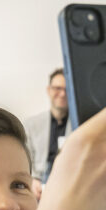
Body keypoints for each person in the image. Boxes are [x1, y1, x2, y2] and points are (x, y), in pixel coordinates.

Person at [24, 68, 71, 197]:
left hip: (69, 186)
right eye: (57, 88)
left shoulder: (81, 125)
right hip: (39, 187)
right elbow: (25, 158)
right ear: (49, 90)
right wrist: (32, 180)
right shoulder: (32, 125)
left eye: (67, 89)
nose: (62, 94)